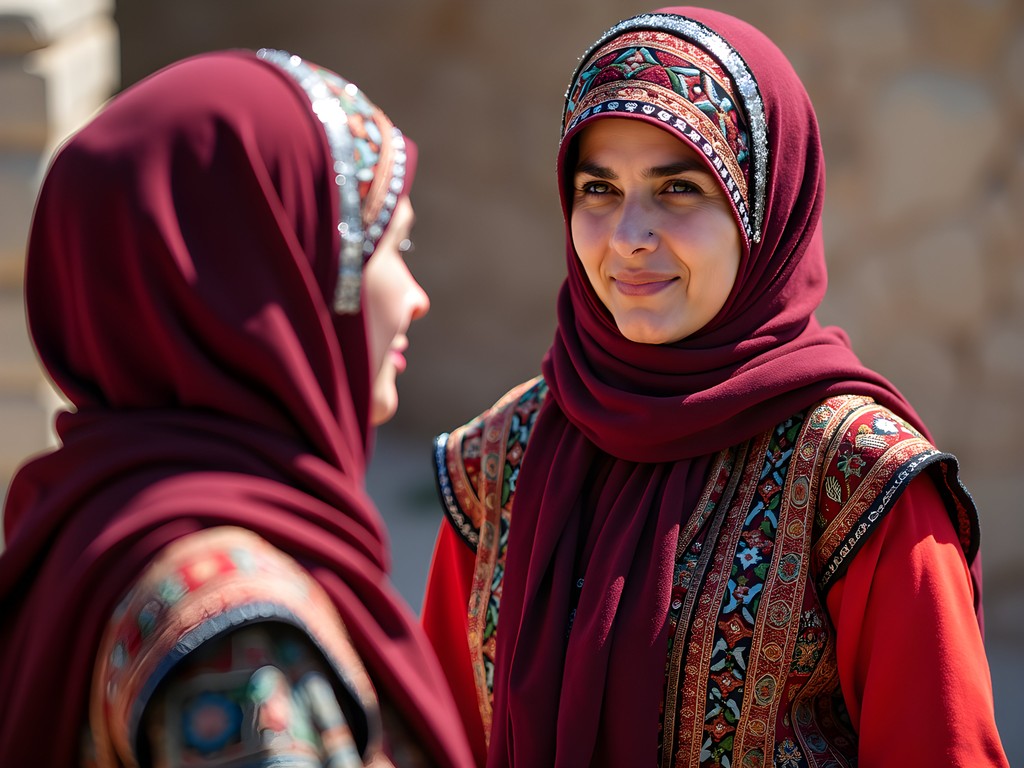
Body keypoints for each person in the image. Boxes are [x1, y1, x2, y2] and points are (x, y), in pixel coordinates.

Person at [421, 7, 1009, 767]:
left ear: (764, 211)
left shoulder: (861, 481)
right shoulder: (500, 458)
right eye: (598, 188)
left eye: (680, 188)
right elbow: (433, 739)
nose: (629, 236)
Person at [0, 49, 474, 767]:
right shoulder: (240, 642)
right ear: (270, 280)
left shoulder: (78, 520)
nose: (416, 294)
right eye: (390, 242)